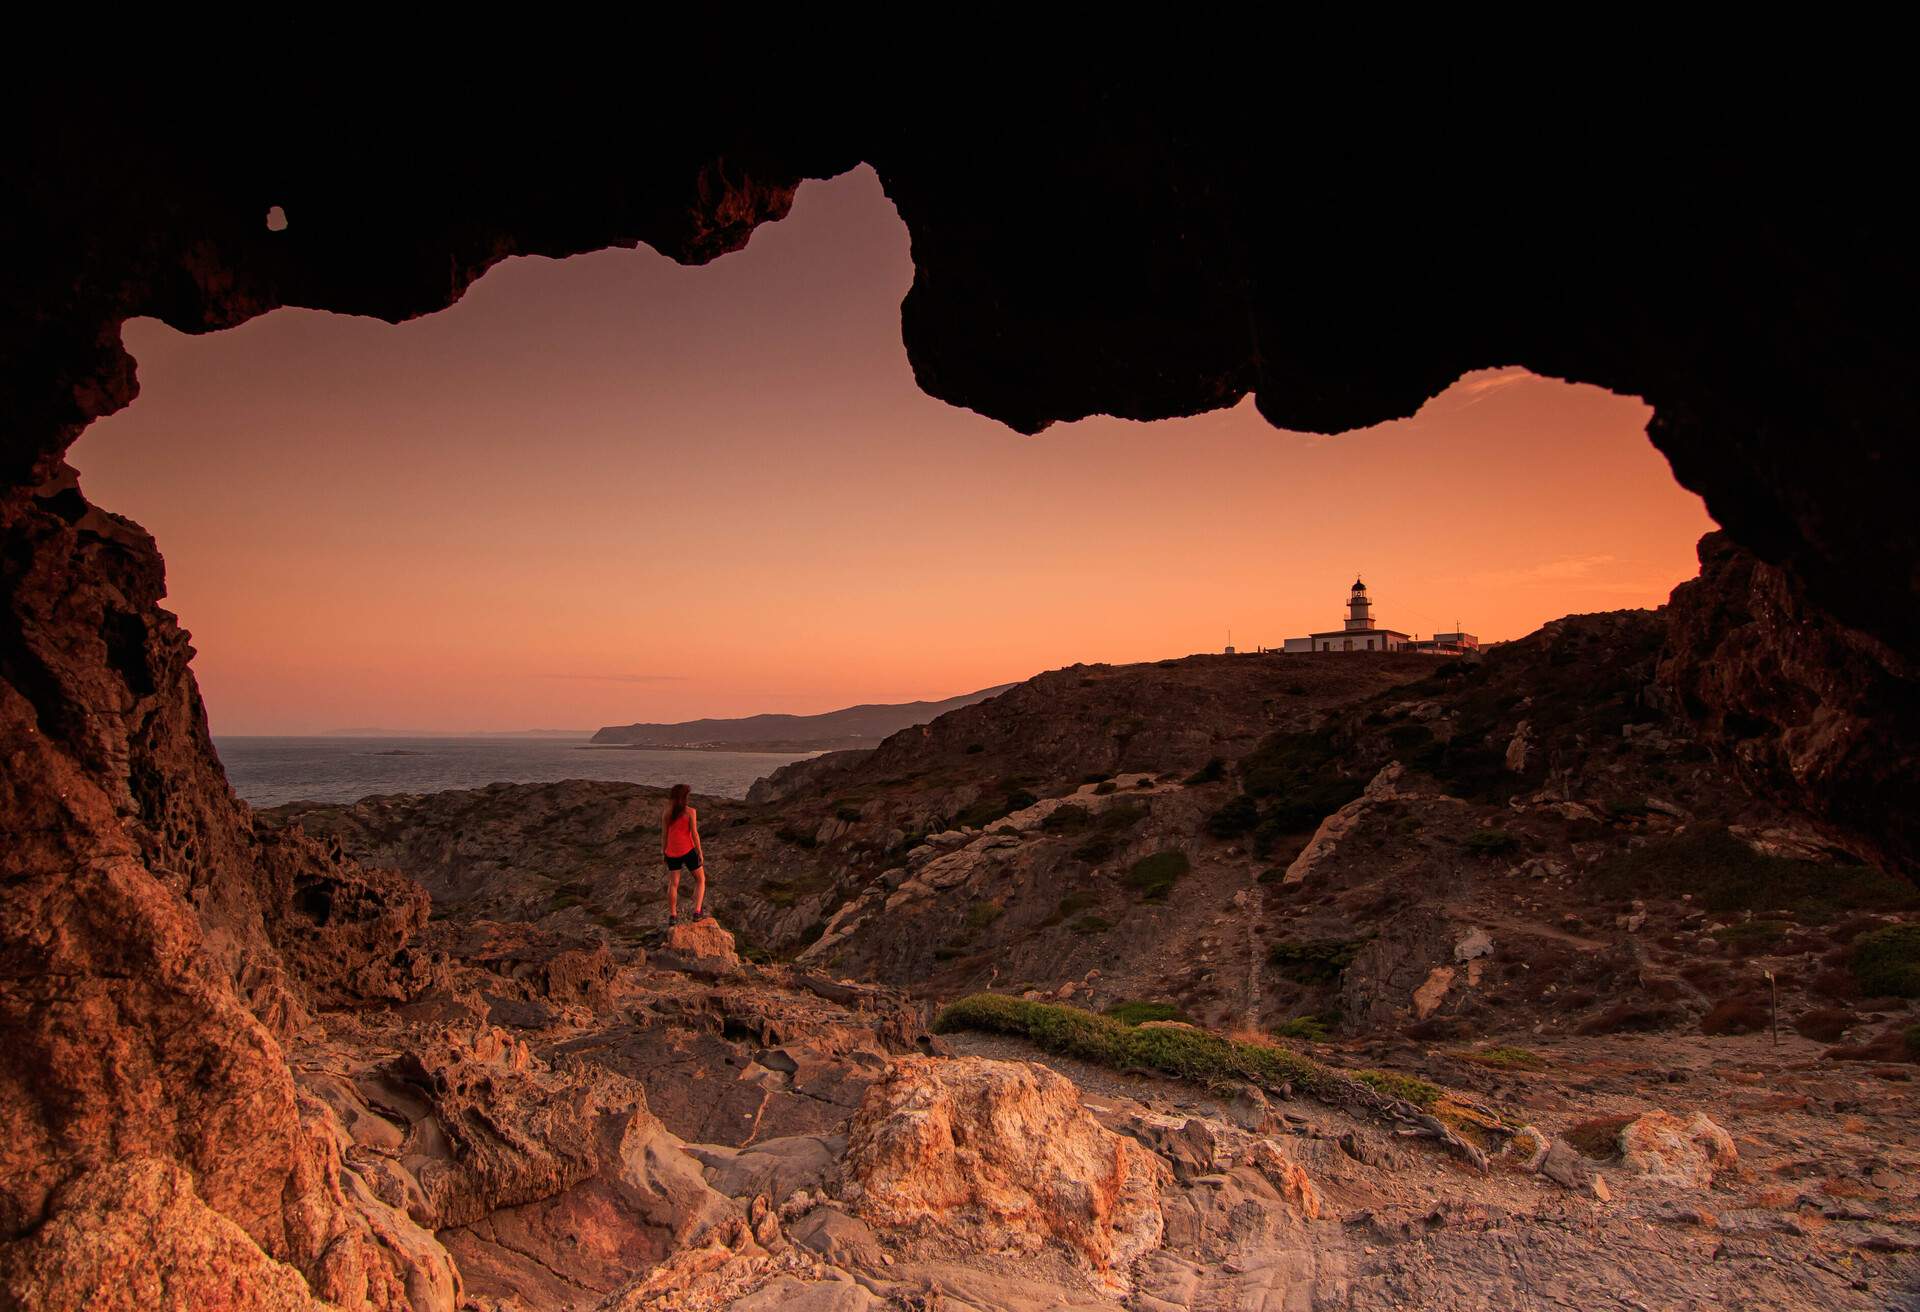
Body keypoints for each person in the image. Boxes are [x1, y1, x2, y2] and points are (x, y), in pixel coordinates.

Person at [661, 783, 710, 925]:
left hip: (671, 851)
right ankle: (697, 912)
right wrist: (700, 852)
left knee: (673, 884)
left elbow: (664, 834)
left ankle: (673, 915)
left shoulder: (667, 813)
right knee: (701, 880)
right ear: (685, 796)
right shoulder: (690, 812)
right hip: (688, 850)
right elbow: (694, 834)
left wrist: (663, 852)